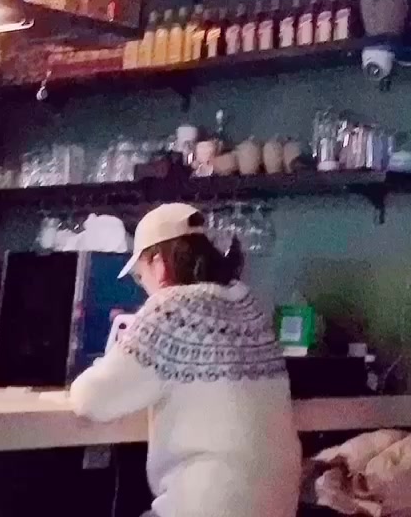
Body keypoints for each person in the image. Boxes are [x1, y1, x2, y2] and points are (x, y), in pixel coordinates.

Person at [69, 203, 298, 517]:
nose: (144, 286)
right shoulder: (249, 305)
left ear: (159, 264)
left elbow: (90, 399)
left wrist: (113, 360)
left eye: (140, 275)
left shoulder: (170, 308)